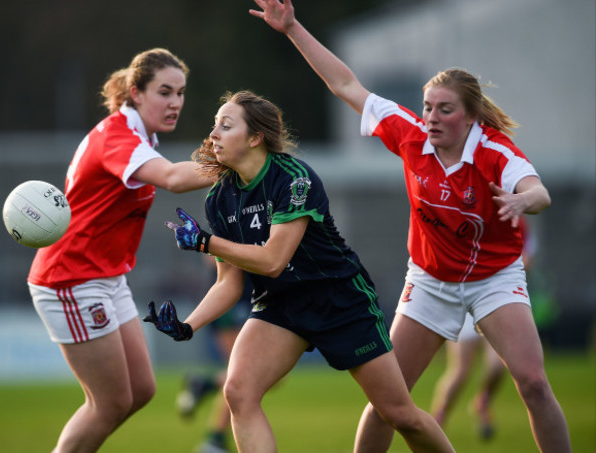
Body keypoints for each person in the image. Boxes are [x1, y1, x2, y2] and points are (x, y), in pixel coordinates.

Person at [248, 1, 572, 452]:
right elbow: (345, 83)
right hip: (430, 282)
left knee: (534, 384)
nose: (432, 118)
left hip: (494, 279)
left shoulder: (494, 152)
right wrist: (292, 29)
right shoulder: (411, 134)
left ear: (471, 116)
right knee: (389, 400)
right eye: (428, 107)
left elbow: (540, 192)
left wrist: (522, 200)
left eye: (445, 110)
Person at [145, 90, 455, 453]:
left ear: (255, 137)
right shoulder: (219, 198)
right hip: (280, 304)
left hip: (338, 299)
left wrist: (205, 243)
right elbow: (228, 284)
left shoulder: (293, 178)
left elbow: (274, 259)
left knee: (399, 413)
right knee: (238, 393)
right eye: (215, 126)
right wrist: (188, 326)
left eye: (225, 126)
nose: (213, 134)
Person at [27, 48, 212, 453]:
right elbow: (173, 178)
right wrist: (237, 159)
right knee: (109, 403)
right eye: (165, 92)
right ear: (136, 92)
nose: (175, 102)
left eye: (181, 93)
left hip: (106, 276)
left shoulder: (140, 135)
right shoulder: (117, 135)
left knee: (141, 390)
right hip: (70, 278)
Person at [430, 217, 537, 441]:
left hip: (495, 298)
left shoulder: (515, 219)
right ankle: (437, 420)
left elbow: (527, 256)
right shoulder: (465, 210)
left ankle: (483, 402)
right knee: (459, 372)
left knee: (498, 366)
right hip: (463, 298)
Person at [176, 257, 254, 453]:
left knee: (252, 374)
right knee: (244, 374)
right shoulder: (228, 226)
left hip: (252, 298)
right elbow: (211, 255)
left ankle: (204, 384)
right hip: (230, 303)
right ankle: (215, 441)